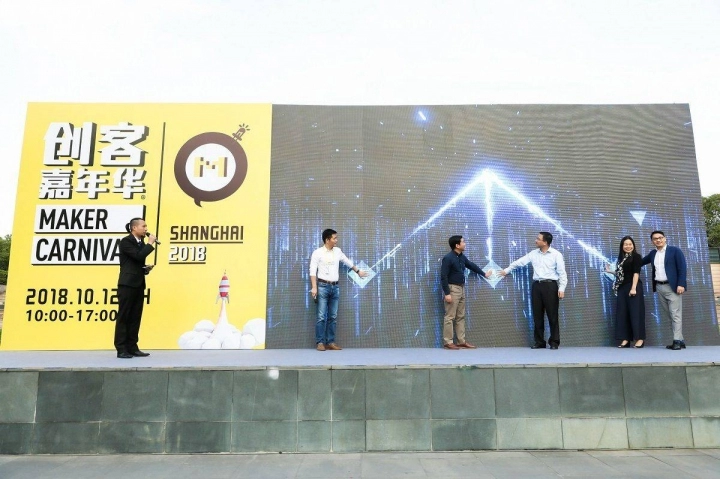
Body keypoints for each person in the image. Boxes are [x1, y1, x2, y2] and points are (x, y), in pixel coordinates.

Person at [499, 232, 568, 349]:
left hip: (550, 286)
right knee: (537, 315)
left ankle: (554, 342)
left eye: (538, 239)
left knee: (552, 315)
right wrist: (506, 270)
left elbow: (562, 273)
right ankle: (540, 341)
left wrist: (562, 288)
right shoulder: (533, 253)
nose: (536, 240)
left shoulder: (556, 254)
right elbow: (519, 262)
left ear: (545, 242)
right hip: (537, 286)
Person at [309, 228, 368, 351]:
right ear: (327, 240)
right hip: (322, 287)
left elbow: (347, 262)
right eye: (334, 238)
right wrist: (314, 287)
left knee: (333, 316)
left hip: (335, 287)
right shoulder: (317, 253)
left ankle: (330, 342)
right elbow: (312, 271)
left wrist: (358, 271)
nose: (336, 240)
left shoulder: (338, 251)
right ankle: (320, 342)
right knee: (321, 316)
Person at [440, 235, 491, 350]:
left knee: (460, 316)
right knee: (450, 316)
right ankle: (448, 342)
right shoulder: (448, 258)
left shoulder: (461, 257)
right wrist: (447, 293)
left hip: (461, 288)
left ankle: (461, 341)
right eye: (463, 242)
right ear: (457, 245)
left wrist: (484, 274)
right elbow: (443, 276)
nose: (465, 243)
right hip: (452, 289)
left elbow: (471, 265)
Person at [115, 218, 156, 359]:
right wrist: (150, 243)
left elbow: (136, 263)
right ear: (134, 228)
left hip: (138, 283)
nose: (146, 229)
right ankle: (121, 348)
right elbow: (138, 256)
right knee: (124, 316)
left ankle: (132, 347)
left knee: (135, 317)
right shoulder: (126, 241)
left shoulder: (140, 243)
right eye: (143, 226)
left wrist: (145, 269)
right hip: (127, 284)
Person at [642, 230, 687, 350]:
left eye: (660, 237)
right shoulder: (653, 253)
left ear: (665, 238)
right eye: (655, 239)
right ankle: (680, 340)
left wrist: (681, 284)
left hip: (673, 287)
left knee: (675, 314)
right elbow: (639, 263)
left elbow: (682, 268)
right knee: (670, 315)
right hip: (659, 287)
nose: (658, 240)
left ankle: (676, 341)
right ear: (652, 241)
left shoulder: (675, 251)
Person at [605, 236, 645, 348]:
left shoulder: (636, 257)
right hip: (622, 287)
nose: (628, 246)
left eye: (630, 244)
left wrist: (633, 288)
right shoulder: (622, 259)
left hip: (633, 286)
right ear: (622, 246)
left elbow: (636, 273)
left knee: (636, 313)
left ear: (633, 245)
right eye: (625, 244)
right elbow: (622, 274)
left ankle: (639, 339)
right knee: (623, 313)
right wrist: (610, 271)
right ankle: (625, 339)